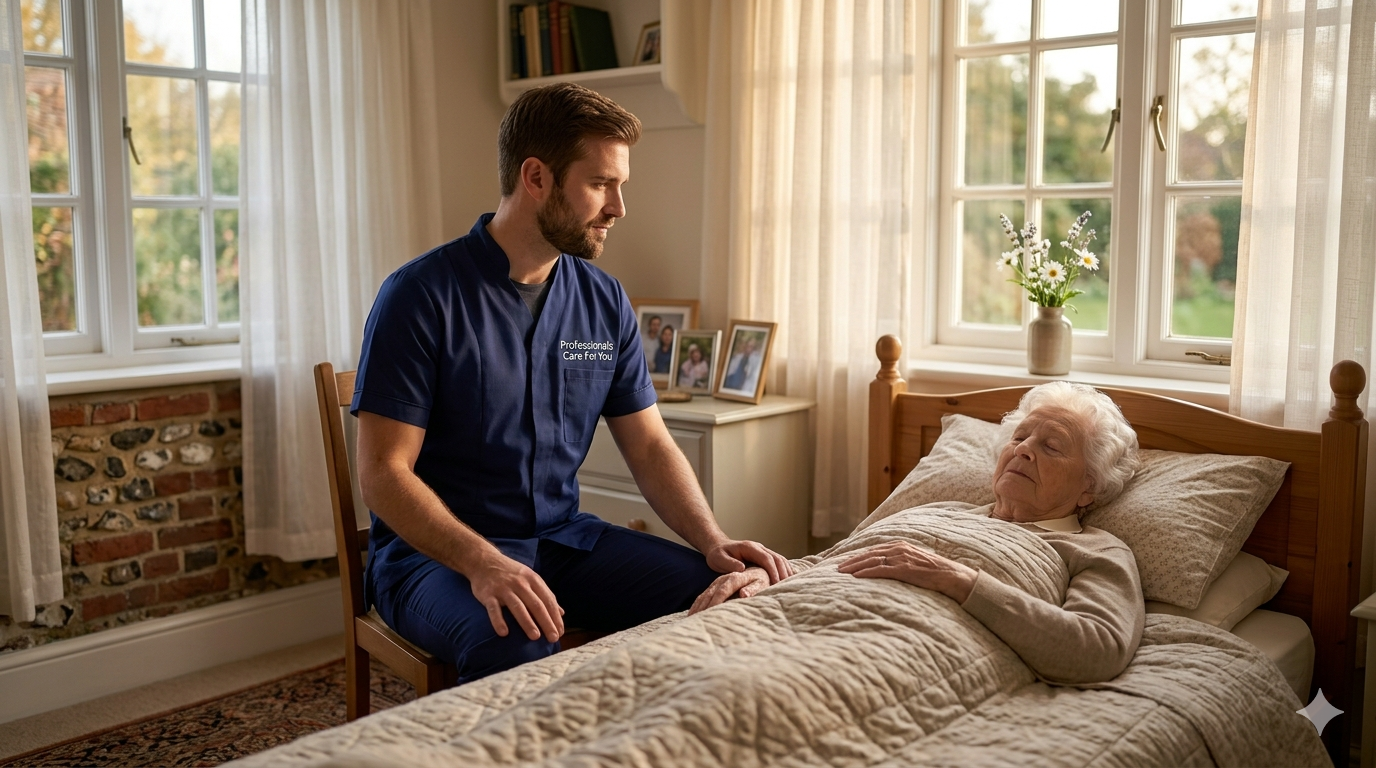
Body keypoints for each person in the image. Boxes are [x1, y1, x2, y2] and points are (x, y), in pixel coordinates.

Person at [351, 83, 792, 684]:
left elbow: (651, 445)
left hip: (562, 541)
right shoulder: (420, 296)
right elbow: (383, 474)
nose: (618, 208)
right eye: (600, 184)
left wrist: (712, 540)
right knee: (518, 645)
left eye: (620, 186)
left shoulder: (604, 300)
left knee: (722, 597)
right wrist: (483, 561)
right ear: (536, 177)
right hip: (435, 560)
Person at [692, 381, 1144, 684]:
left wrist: (959, 579)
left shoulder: (1093, 550)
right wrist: (767, 574)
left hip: (886, 654)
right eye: (1020, 437)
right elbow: (830, 560)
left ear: (1089, 486)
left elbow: (1098, 648)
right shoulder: (937, 509)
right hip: (784, 621)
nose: (1024, 451)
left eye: (1051, 447)